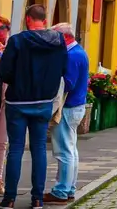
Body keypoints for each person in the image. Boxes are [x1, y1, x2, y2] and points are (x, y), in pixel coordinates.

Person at [0, 5, 67, 209]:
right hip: (44, 101)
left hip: (18, 101)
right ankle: (37, 198)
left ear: (28, 19)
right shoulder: (58, 41)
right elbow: (63, 68)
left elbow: (4, 70)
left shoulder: (18, 41)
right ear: (44, 20)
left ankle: (9, 199)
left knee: (16, 149)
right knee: (39, 149)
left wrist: (17, 81)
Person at [43, 23, 87, 205]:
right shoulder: (78, 52)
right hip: (76, 106)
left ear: (64, 37)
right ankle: (68, 188)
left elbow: (67, 83)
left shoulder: (71, 55)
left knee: (64, 151)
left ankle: (61, 190)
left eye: (55, 37)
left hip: (68, 107)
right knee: (71, 149)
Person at [0, 13, 10, 198]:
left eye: (5, 29)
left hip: (6, 100)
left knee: (1, 142)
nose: (3, 32)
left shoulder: (7, 49)